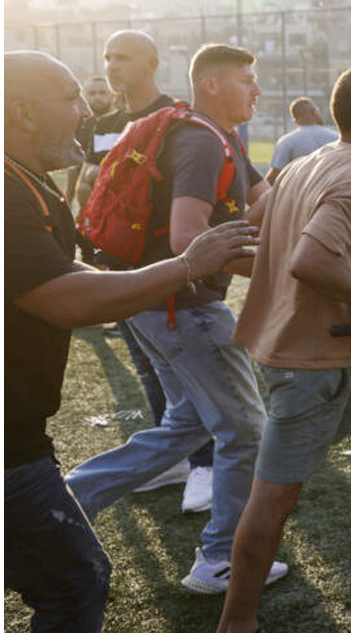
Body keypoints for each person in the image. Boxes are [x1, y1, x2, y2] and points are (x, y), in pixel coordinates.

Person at [4, 50, 257, 632]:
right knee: (76, 580)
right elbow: (63, 300)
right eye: (70, 100)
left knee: (189, 424)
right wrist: (185, 267)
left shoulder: (30, 183)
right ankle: (220, 555)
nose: (86, 114)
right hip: (10, 446)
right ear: (23, 112)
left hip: (21, 435)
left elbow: (71, 278)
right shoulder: (8, 192)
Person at [218, 66, 351, 631]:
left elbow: (248, 233)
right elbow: (309, 260)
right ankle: (234, 626)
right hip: (307, 361)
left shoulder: (303, 164)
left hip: (310, 348)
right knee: (273, 500)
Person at [64, 43, 288, 593]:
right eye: (246, 79)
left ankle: (64, 499)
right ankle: (219, 559)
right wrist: (282, 275)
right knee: (245, 431)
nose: (257, 89)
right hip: (184, 309)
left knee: (185, 424)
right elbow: (190, 243)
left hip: (155, 308)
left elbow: (269, 199)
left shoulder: (222, 137)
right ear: (211, 85)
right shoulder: (201, 143)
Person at [77, 31, 219, 510]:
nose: (113, 66)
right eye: (108, 57)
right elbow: (91, 183)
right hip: (118, 266)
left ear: (154, 63)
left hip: (162, 268)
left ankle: (205, 464)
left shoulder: (174, 119)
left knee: (184, 373)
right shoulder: (105, 122)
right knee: (148, 366)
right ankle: (176, 460)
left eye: (124, 57)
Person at [264, 96, 338, 185]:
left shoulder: (287, 141)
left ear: (294, 119)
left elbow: (273, 176)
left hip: (297, 196)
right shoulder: (336, 138)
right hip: (330, 193)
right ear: (313, 112)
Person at [66, 75, 114, 201]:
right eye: (92, 93)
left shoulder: (124, 123)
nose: (97, 97)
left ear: (112, 95)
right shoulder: (79, 125)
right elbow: (74, 167)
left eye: (103, 93)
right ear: (84, 97)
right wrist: (68, 200)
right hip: (87, 191)